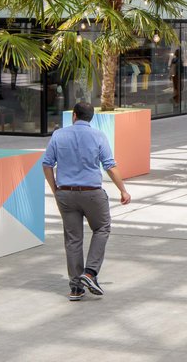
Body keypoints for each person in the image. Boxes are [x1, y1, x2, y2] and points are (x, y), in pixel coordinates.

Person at [42, 101, 131, 301]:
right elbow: (109, 165)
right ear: (91, 118)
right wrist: (123, 190)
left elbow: (47, 164)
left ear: (74, 115)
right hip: (92, 193)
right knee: (102, 229)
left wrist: (55, 188)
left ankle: (75, 289)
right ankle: (90, 273)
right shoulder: (98, 135)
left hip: (65, 193)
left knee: (73, 240)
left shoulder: (58, 135)